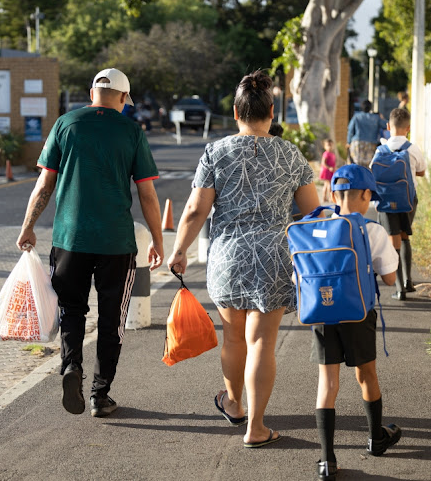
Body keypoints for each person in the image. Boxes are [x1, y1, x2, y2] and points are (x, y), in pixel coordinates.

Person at [166, 70, 320, 448]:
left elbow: (194, 211)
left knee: (233, 337)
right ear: (271, 111)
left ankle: (234, 404)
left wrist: (180, 249)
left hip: (228, 257)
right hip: (275, 258)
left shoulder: (215, 151)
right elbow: (313, 213)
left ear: (236, 113)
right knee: (262, 344)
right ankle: (257, 426)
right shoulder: (290, 153)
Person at [16, 68, 164, 418]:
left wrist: (28, 227)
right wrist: (157, 240)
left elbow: (44, 185)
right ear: (124, 99)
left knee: (71, 310)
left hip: (69, 238)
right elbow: (147, 194)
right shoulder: (131, 131)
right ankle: (100, 394)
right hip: (116, 241)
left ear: (91, 93)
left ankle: (71, 368)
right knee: (112, 319)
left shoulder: (66, 124)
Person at [310, 164, 400, 481]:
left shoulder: (317, 229)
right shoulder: (372, 230)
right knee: (367, 375)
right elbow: (390, 279)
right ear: (364, 194)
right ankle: (376, 438)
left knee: (328, 384)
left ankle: (326, 461)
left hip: (322, 313)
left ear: (334, 194)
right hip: (358, 312)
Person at [372, 107, 427, 300]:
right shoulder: (412, 148)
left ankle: (399, 289)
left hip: (386, 201)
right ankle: (408, 281)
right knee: (405, 237)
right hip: (408, 200)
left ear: (388, 126)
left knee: (392, 242)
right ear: (408, 128)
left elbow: (373, 172)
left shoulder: (380, 150)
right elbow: (421, 171)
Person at [346, 100, 387, 168]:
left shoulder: (356, 117)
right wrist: (382, 118)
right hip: (371, 144)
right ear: (370, 108)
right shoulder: (376, 118)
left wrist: (348, 142)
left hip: (357, 143)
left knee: (357, 165)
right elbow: (386, 125)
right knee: (368, 166)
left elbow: (350, 130)